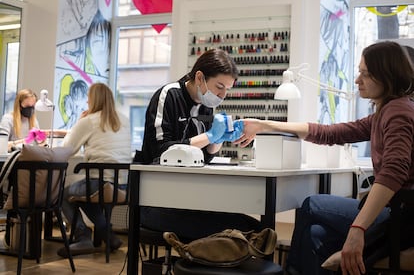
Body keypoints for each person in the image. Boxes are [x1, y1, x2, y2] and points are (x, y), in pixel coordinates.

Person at [233, 41, 414, 274]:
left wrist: (357, 229)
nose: (358, 80)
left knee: (311, 204)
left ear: (387, 76)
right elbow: (329, 133)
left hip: (402, 218)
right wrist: (264, 124)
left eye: (366, 74)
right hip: (397, 213)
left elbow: (393, 172)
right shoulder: (385, 111)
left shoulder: (397, 111)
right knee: (316, 235)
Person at [136, 48, 262, 241]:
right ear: (200, 77)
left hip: (188, 198)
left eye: (227, 89)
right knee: (241, 232)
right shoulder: (169, 95)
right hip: (154, 201)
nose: (222, 95)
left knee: (254, 227)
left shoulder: (206, 105)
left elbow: (206, 156)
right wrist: (211, 136)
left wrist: (220, 139)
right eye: (219, 86)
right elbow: (160, 152)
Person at [56, 83, 131, 257]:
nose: (87, 102)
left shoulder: (89, 120)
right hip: (124, 187)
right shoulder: (124, 120)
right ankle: (108, 235)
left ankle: (83, 238)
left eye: (88, 98)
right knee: (83, 194)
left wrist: (79, 122)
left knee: (62, 194)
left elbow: (67, 148)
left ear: (93, 100)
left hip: (100, 185)